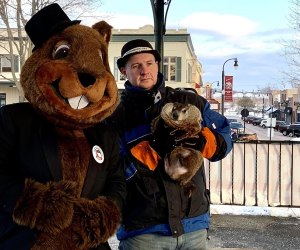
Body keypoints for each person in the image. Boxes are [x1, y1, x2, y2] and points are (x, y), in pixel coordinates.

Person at [108, 39, 232, 250]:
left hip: (194, 226)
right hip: (144, 232)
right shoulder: (115, 116)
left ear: (158, 65)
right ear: (123, 70)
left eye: (149, 63)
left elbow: (224, 138)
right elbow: (112, 169)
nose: (144, 70)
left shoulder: (190, 101)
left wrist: (204, 141)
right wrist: (152, 149)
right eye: (136, 65)